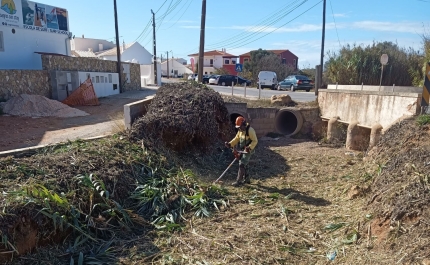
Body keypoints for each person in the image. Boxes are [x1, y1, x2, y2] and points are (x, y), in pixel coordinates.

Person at [225, 116, 258, 186]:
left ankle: (238, 181)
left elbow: (255, 141)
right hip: (242, 150)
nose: (239, 128)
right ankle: (247, 179)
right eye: (238, 127)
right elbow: (236, 139)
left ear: (244, 124)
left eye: (240, 127)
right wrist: (230, 144)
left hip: (248, 150)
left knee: (242, 164)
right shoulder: (240, 131)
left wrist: (249, 147)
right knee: (245, 164)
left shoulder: (250, 130)